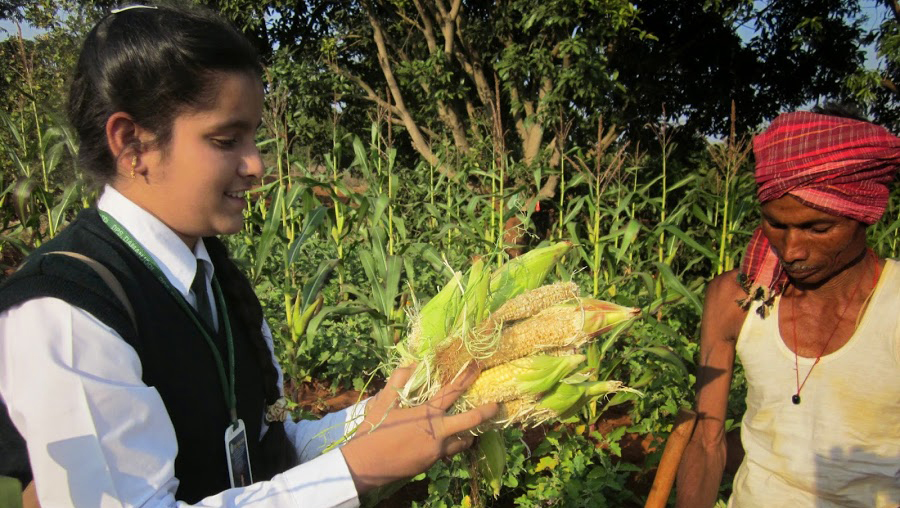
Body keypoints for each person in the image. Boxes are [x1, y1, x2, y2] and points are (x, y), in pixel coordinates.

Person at [0, 4, 497, 507]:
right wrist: (355, 471)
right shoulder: (68, 316)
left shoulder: (208, 276)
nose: (257, 164)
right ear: (132, 144)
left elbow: (260, 452)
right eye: (225, 139)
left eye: (253, 135)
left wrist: (371, 417)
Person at [675, 105, 900, 507]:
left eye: (818, 228)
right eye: (776, 224)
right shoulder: (737, 300)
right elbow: (708, 443)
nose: (792, 251)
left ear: (865, 215)